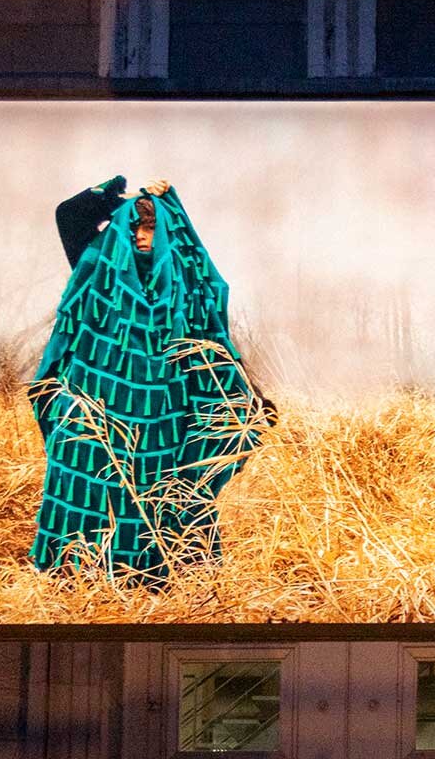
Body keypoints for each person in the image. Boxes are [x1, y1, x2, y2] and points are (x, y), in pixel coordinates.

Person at [29, 175, 270, 581]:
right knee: (91, 494)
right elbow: (69, 216)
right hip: (93, 418)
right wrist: (115, 195)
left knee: (164, 498)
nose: (142, 237)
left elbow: (211, 334)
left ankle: (156, 577)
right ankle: (79, 575)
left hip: (163, 423)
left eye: (151, 228)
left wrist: (170, 203)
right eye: (135, 226)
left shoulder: (186, 287)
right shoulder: (97, 269)